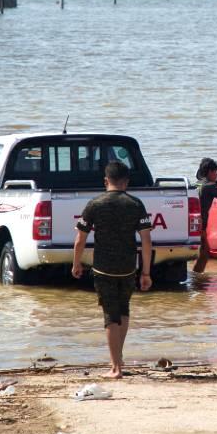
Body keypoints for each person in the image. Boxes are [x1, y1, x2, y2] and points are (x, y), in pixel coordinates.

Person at [71, 161, 153, 379]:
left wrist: (76, 263)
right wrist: (146, 272)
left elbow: (80, 239)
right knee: (123, 310)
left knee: (110, 315)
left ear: (106, 181)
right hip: (128, 267)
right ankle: (118, 357)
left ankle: (116, 367)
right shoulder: (136, 204)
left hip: (103, 268)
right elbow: (146, 241)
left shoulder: (95, 204)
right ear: (126, 182)